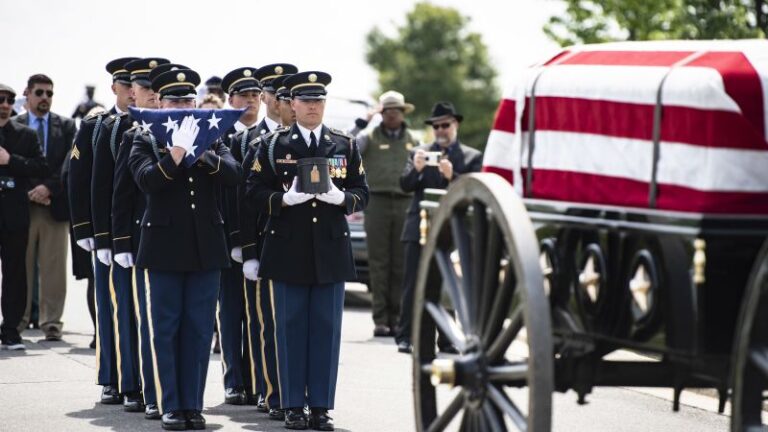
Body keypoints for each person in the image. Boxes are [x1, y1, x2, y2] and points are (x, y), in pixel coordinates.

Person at [246, 70, 369, 431]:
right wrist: (282, 200)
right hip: (288, 249)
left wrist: (343, 198)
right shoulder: (272, 146)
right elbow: (252, 191)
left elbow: (363, 190)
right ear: (292, 105)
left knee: (326, 331)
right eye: (305, 101)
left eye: (318, 101)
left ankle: (319, 406)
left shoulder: (344, 145)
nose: (313, 107)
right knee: (289, 329)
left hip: (330, 250)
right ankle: (292, 406)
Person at [128, 67, 242, 430]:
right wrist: (175, 155)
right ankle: (170, 404)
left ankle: (193, 404)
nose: (181, 106)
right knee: (165, 327)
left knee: (198, 328)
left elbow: (234, 175)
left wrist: (204, 154)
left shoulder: (213, 135)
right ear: (160, 103)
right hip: (163, 246)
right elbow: (146, 181)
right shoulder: (143, 136)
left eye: (186, 100)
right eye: (174, 100)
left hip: (205, 246)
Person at [113, 61, 186, 421]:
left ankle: (166, 395)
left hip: (183, 242)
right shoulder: (138, 136)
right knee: (150, 323)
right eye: (163, 98)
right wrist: (119, 241)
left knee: (173, 326)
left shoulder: (199, 135)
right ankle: (150, 392)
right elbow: (121, 193)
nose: (166, 104)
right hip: (146, 238)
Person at [69, 57, 137, 403]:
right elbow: (79, 181)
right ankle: (112, 376)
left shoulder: (155, 124)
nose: (133, 93)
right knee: (111, 307)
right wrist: (87, 230)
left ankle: (138, 379)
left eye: (139, 86)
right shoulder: (97, 125)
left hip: (141, 231)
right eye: (127, 86)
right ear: (115, 88)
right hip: (107, 233)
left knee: (137, 310)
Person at [395, 101, 483, 354]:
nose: (441, 130)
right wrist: (418, 169)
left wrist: (452, 177)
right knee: (413, 284)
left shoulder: (470, 156)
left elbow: (474, 193)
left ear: (455, 125)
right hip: (419, 226)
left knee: (448, 286)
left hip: (453, 229)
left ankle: (446, 338)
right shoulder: (419, 152)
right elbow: (404, 185)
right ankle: (406, 336)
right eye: (436, 127)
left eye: (445, 125)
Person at [240, 63, 298, 419]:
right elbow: (246, 201)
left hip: (301, 244)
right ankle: (270, 389)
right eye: (277, 96)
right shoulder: (256, 141)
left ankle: (295, 390)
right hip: (266, 240)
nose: (282, 103)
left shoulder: (313, 139)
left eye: (287, 96)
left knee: (294, 323)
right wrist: (246, 249)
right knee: (267, 322)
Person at [14, 74, 77, 342]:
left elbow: (70, 162)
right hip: (21, 206)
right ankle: (18, 320)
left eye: (49, 94)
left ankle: (51, 323)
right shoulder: (12, 125)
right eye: (39, 93)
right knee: (20, 266)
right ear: (27, 94)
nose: (44, 99)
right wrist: (31, 188)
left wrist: (48, 188)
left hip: (54, 205)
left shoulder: (66, 126)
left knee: (54, 269)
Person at [217, 66, 263, 406]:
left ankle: (261, 380)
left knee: (261, 316)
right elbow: (223, 195)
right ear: (229, 100)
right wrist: (234, 239)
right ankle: (234, 380)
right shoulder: (219, 137)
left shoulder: (270, 137)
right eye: (243, 96)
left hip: (262, 240)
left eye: (255, 96)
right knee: (231, 313)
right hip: (227, 240)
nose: (250, 102)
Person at [354, 91, 418, 338]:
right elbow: (343, 146)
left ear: (403, 113)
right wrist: (363, 121)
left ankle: (400, 318)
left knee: (402, 263)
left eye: (397, 110)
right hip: (377, 202)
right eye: (388, 110)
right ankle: (381, 319)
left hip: (405, 202)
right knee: (379, 263)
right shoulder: (368, 137)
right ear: (381, 114)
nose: (392, 114)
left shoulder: (414, 140)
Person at [0, 83, 49, 350]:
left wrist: (11, 161)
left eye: (9, 100)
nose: (5, 104)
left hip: (15, 216)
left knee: (15, 274)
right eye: (0, 99)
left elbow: (41, 167)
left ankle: (11, 330)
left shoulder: (25, 135)